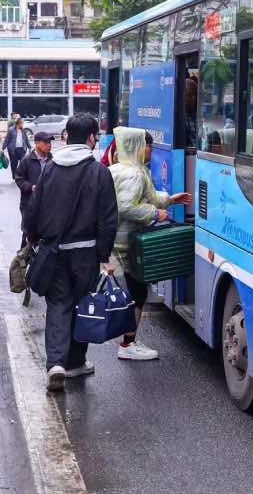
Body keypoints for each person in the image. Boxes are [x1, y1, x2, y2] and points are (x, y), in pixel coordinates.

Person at [23, 113, 118, 392]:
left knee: (58, 305)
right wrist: (104, 254)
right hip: (86, 254)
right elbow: (108, 219)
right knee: (82, 305)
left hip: (54, 251)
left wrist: (34, 239)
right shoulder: (99, 172)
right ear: (91, 138)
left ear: (66, 136)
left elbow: (34, 208)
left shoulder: (50, 168)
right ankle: (76, 362)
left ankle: (55, 363)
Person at [108, 127, 192, 361]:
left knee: (134, 293)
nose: (151, 151)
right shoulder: (134, 173)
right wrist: (155, 213)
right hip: (126, 244)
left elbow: (144, 196)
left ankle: (128, 341)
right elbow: (126, 206)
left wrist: (168, 200)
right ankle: (127, 344)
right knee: (137, 295)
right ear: (138, 147)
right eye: (149, 147)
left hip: (118, 242)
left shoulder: (120, 168)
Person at [14, 131, 55, 246]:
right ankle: (24, 254)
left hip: (47, 203)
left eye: (50, 142)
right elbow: (19, 179)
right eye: (46, 142)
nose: (49, 145)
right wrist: (31, 187)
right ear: (36, 143)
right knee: (28, 232)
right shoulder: (26, 160)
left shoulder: (52, 160)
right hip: (29, 204)